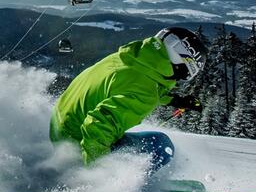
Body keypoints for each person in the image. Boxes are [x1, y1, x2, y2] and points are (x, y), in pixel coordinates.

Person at [49, 27, 206, 172]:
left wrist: (175, 101)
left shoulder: (129, 58)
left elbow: (131, 86)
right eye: (189, 72)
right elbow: (97, 129)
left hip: (60, 125)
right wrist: (97, 177)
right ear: (181, 62)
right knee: (160, 145)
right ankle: (136, 189)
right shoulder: (146, 92)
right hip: (78, 143)